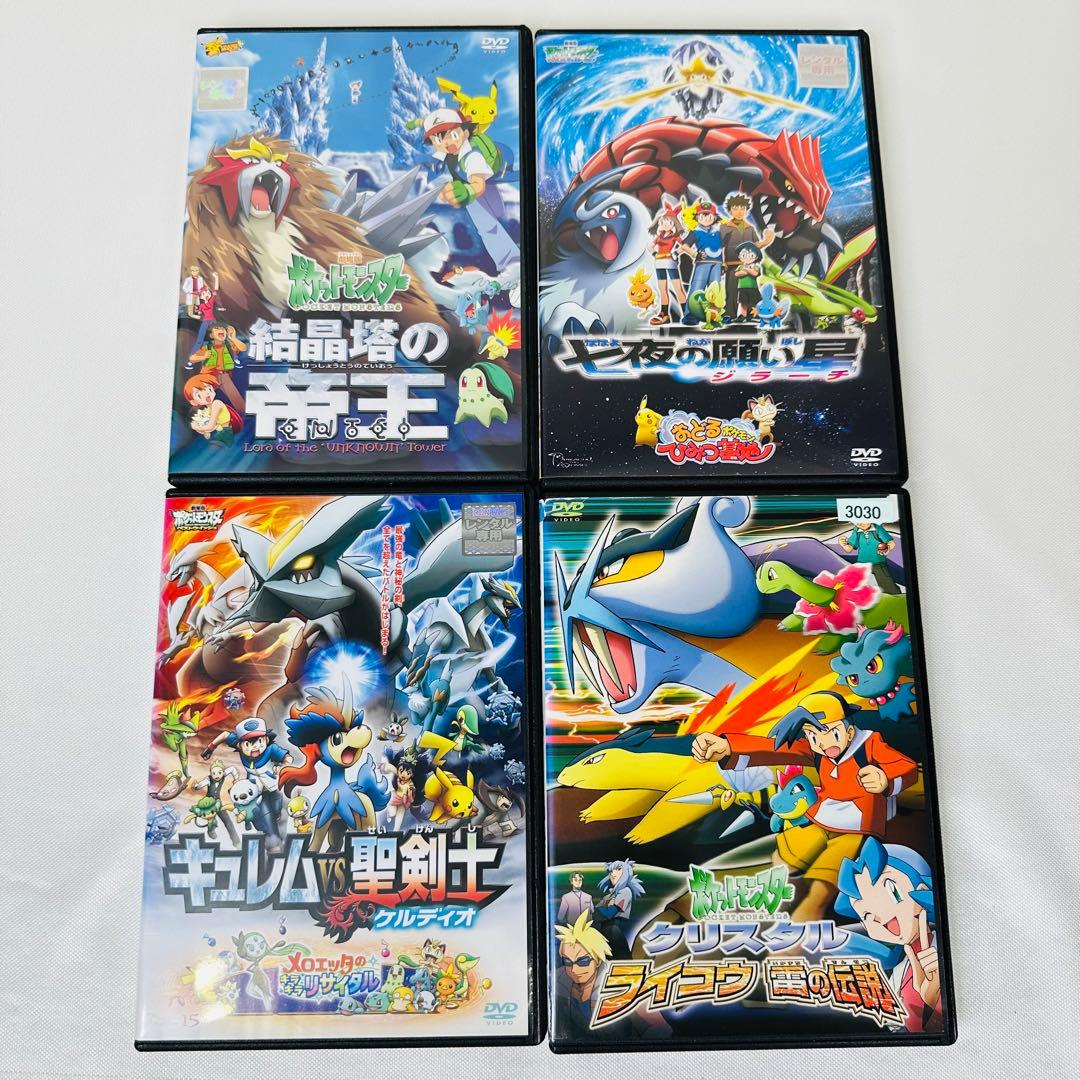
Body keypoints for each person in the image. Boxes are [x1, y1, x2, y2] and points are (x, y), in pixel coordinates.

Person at [691, 691, 916, 922]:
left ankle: (811, 908)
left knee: (831, 869)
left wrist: (885, 779)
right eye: (813, 735)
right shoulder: (816, 751)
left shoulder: (870, 744)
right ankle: (777, 895)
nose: (824, 743)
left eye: (831, 732)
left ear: (849, 731)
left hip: (857, 826)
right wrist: (728, 747)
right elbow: (774, 750)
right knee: (788, 854)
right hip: (820, 817)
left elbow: (905, 767)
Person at [423, 107, 517, 272]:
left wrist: (468, 192)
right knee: (495, 214)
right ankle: (510, 261)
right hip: (471, 182)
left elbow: (478, 184)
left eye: (453, 135)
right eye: (439, 140)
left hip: (478, 183)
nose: (448, 143)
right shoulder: (445, 154)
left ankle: (511, 262)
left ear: (465, 133)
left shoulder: (473, 156)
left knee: (487, 222)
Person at [839, 519, 901, 594]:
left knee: (889, 588)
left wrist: (887, 549)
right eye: (857, 522)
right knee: (854, 587)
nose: (860, 524)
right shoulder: (857, 530)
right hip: (862, 564)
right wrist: (843, 544)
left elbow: (891, 543)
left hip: (878, 563)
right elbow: (849, 549)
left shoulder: (877, 528)